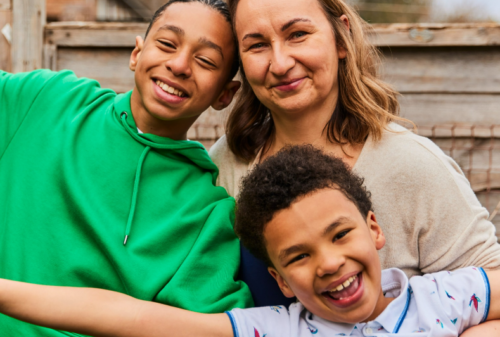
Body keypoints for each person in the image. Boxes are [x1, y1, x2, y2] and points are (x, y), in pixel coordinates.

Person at [209, 0, 500, 305]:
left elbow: (492, 284)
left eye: (298, 34)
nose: (281, 62)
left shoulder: (412, 165)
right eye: (257, 45)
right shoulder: (226, 163)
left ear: (341, 38)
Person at [0, 145, 498, 337]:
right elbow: (135, 318)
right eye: (299, 257)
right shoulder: (279, 329)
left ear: (374, 229)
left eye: (340, 234)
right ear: (279, 281)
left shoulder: (442, 300)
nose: (328, 263)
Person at [0, 0, 252, 335]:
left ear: (225, 94)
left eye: (205, 61)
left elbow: (220, 326)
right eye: (166, 44)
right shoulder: (47, 100)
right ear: (137, 53)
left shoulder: (204, 215)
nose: (179, 65)